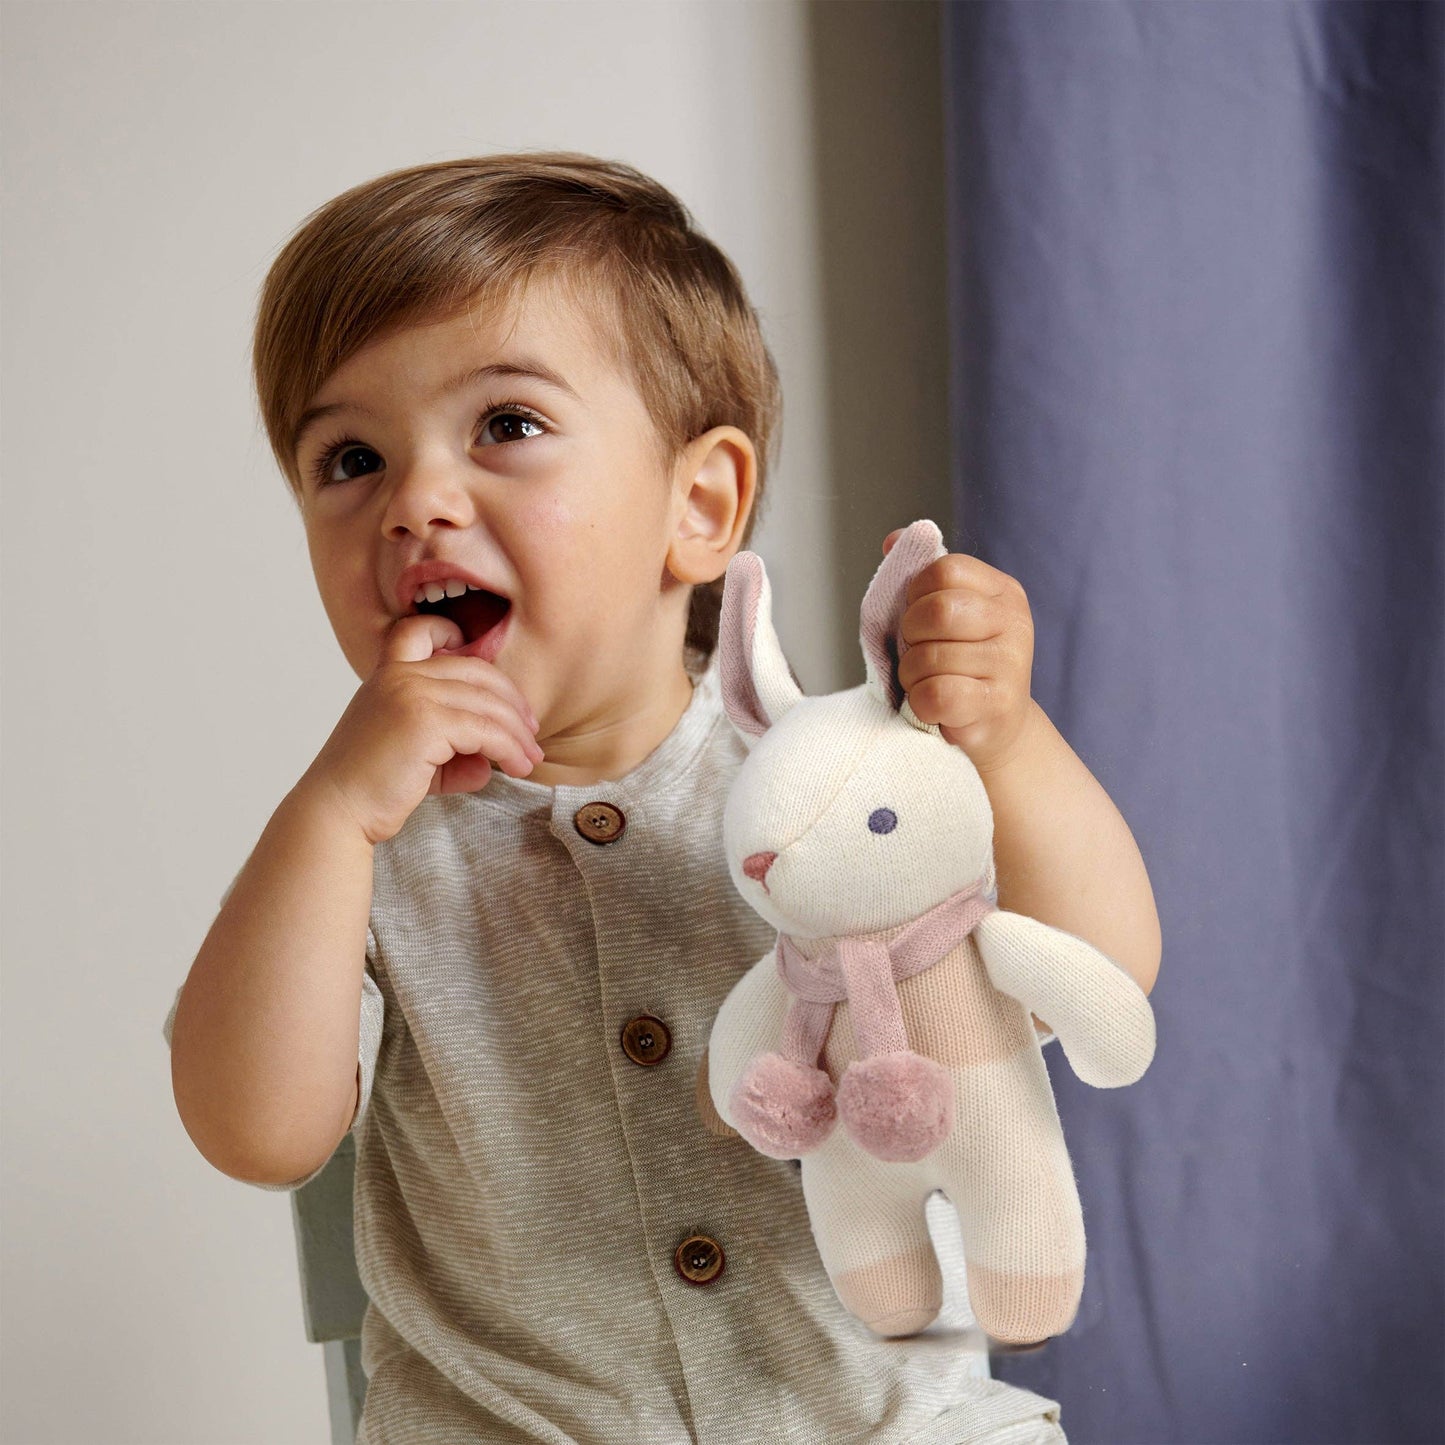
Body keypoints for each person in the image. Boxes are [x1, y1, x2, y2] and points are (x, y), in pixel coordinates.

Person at [163, 152, 1161, 1444]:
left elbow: (1102, 959)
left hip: (879, 1419)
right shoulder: (365, 835)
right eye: (349, 457)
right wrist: (326, 818)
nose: (414, 502)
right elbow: (256, 1129)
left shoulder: (820, 780)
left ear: (697, 506)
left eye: (504, 426)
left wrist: (1008, 740)